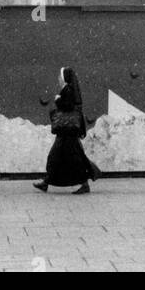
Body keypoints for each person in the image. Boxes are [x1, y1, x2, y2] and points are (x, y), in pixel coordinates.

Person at [33, 67, 101, 195]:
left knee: (64, 158)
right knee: (66, 157)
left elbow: (68, 106)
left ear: (65, 78)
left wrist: (58, 100)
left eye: (60, 76)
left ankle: (48, 182)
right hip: (67, 132)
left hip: (67, 132)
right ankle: (47, 182)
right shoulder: (69, 90)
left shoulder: (67, 90)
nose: (58, 79)